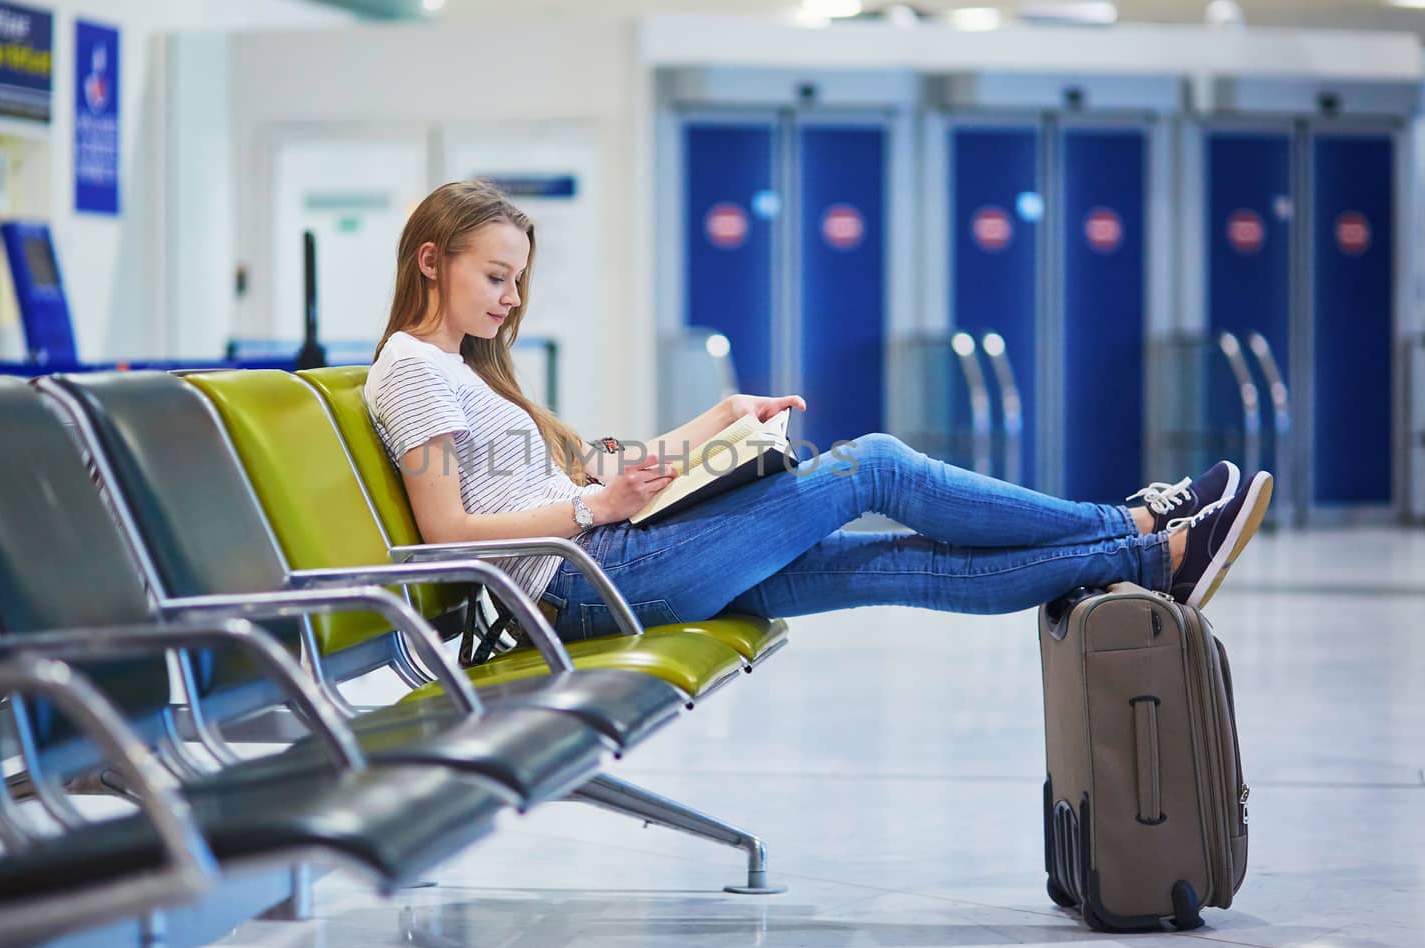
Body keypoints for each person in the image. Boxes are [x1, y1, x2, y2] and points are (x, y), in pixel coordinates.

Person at [365, 181, 1273, 642]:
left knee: (898, 565)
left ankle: (1156, 557)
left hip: (603, 560)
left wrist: (716, 423)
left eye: (519, 278)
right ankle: (1137, 518)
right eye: (496, 275)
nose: (510, 296)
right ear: (431, 261)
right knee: (869, 464)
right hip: (577, 583)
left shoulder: (468, 372)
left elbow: (596, 465)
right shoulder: (412, 369)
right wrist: (591, 511)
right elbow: (446, 529)